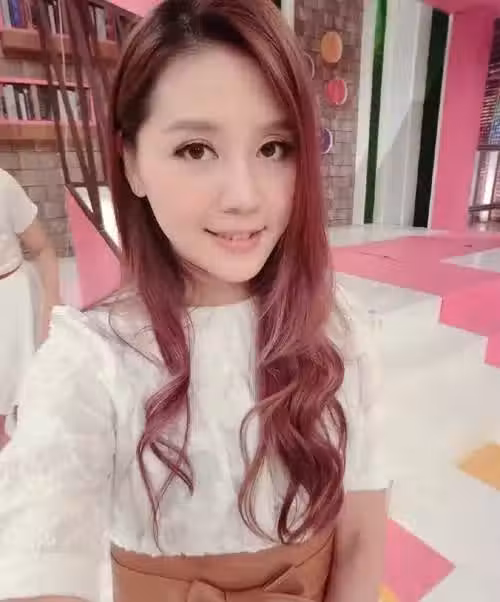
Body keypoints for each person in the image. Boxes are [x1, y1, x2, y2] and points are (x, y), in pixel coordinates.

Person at [0, 1, 388, 601]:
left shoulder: (337, 325)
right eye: (196, 150)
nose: (244, 197)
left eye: (273, 148)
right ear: (131, 162)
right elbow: (39, 560)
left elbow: (360, 539)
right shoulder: (90, 362)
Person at [0, 167, 61, 446]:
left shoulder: (3, 185)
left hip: (14, 303)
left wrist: (51, 304)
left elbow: (43, 247)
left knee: (22, 393)